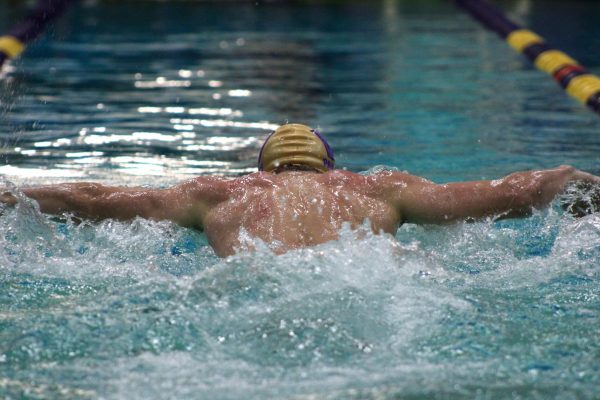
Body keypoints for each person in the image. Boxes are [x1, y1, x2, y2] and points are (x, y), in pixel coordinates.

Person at [1, 123, 599, 257]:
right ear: (330, 165)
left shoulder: (218, 193)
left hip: (252, 293)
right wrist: (572, 182)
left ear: (261, 169)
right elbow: (515, 192)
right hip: (375, 287)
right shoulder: (377, 189)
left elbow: (89, 198)